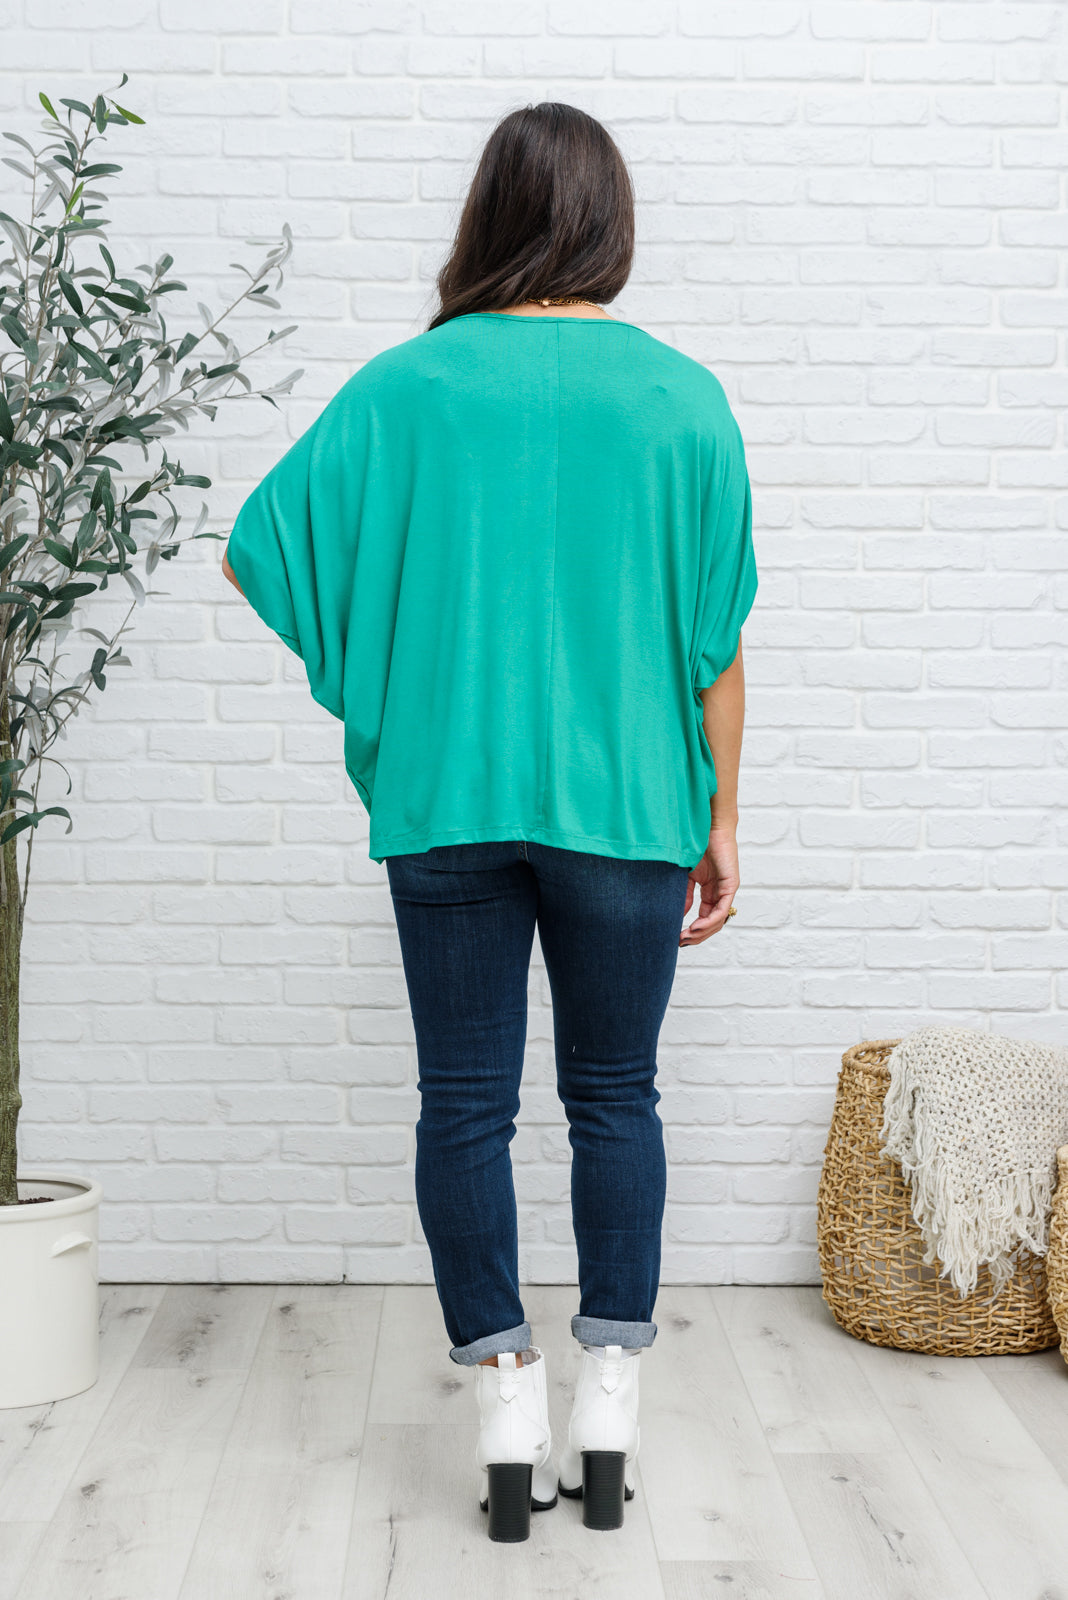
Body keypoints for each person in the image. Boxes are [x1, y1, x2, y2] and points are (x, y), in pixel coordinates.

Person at [222, 100, 757, 1543]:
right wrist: (720, 816)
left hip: (447, 800)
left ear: (489, 216)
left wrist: (395, 677)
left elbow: (262, 547)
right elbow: (713, 643)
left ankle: (505, 1402)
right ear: (610, 222)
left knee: (463, 1102)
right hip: (628, 808)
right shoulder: (682, 399)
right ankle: (609, 1408)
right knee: (616, 1098)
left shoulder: (408, 386)